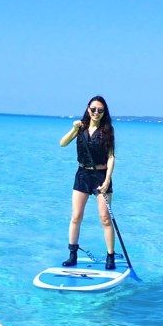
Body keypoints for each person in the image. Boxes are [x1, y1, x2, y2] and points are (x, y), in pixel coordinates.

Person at [58, 96, 117, 269]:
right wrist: (73, 128)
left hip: (101, 175)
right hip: (83, 174)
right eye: (93, 109)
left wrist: (107, 180)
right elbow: (62, 143)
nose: (96, 113)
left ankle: (110, 256)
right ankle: (72, 254)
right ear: (88, 109)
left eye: (100, 110)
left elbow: (111, 156)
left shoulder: (108, 130)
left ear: (104, 112)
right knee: (76, 216)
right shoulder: (80, 127)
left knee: (105, 218)